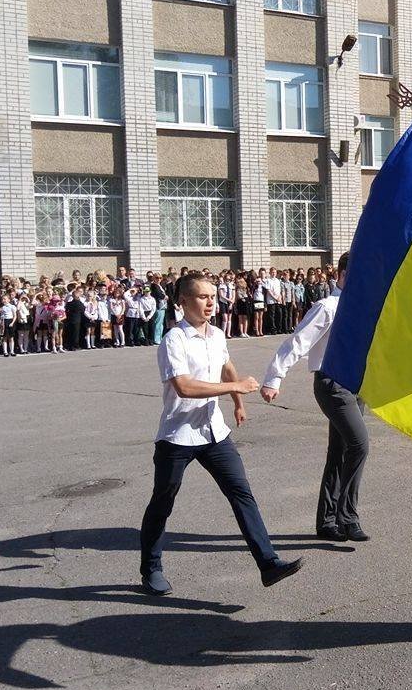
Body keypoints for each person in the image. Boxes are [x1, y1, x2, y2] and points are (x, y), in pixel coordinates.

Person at [138, 273, 303, 596]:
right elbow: (183, 386)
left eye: (213, 296)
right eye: (202, 297)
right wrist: (235, 386)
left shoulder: (216, 334)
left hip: (214, 433)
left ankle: (268, 563)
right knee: (163, 501)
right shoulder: (174, 340)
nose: (210, 302)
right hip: (178, 436)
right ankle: (151, 568)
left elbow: (227, 366)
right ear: (183, 301)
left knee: (241, 493)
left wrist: (237, 402)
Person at [261, 252, 369, 542]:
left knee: (340, 452)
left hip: (356, 385)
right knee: (359, 445)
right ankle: (348, 518)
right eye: (356, 273)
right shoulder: (327, 306)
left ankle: (327, 521)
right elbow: (297, 341)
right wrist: (274, 377)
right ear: (342, 275)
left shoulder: (360, 307)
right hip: (332, 385)